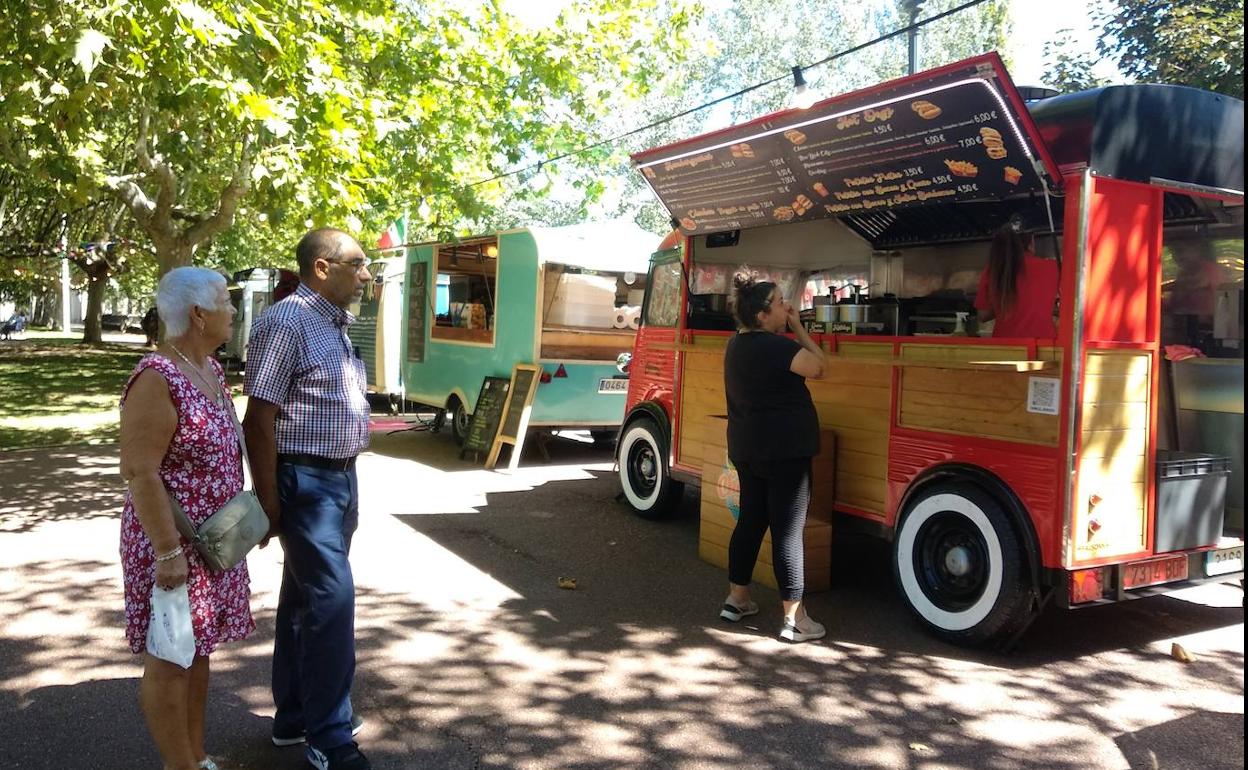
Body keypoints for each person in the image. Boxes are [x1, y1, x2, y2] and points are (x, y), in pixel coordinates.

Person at [243, 228, 372, 770]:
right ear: (323, 268)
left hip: (340, 482)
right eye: (358, 264)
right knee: (331, 603)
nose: (366, 274)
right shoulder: (286, 321)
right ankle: (330, 735)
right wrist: (271, 503)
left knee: (304, 602)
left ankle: (295, 717)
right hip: (305, 484)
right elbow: (259, 419)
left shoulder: (332, 325)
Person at [117, 267, 253, 770]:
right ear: (198, 314)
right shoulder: (156, 377)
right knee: (171, 660)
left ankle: (196, 758)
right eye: (225, 301)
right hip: (174, 547)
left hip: (213, 544)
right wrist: (167, 552)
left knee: (197, 655)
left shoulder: (210, 369)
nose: (233, 310)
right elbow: (140, 471)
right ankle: (180, 765)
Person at [719, 273, 827, 643]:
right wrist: (798, 327)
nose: (787, 306)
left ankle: (737, 599)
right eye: (781, 302)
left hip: (748, 449)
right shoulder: (776, 348)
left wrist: (791, 324)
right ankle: (795, 620)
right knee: (787, 532)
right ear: (764, 314)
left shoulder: (735, 345)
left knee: (750, 521)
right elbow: (820, 366)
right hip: (785, 453)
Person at [974, 225, 1059, 338]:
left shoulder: (994, 269)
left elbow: (983, 315)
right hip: (1044, 346)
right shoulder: (1053, 267)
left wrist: (1006, 304)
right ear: (1031, 242)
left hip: (1006, 346)